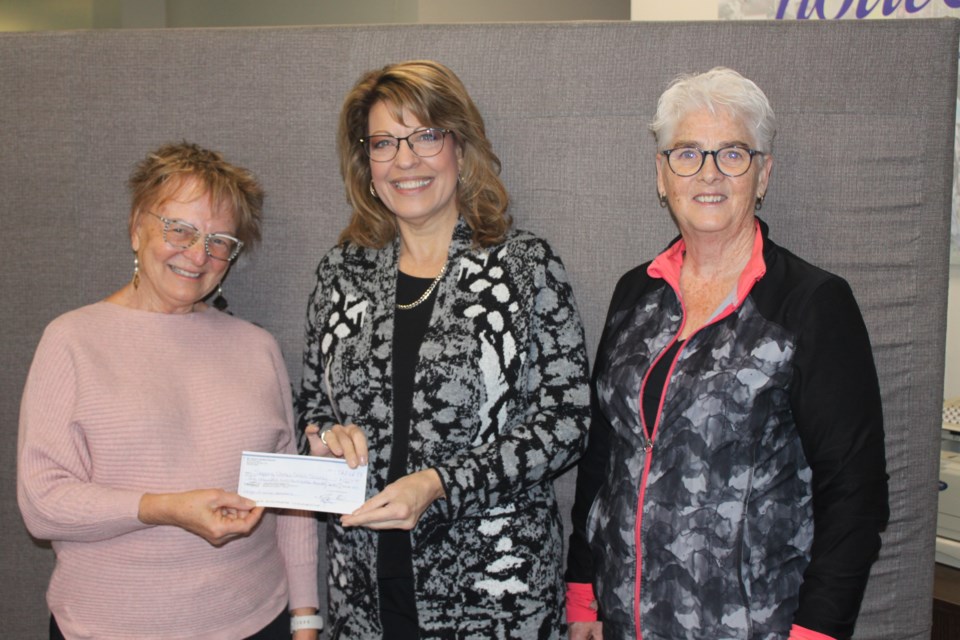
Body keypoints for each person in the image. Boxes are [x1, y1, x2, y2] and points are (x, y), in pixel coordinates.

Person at [565, 68, 889, 640]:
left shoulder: (811, 304)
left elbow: (855, 493)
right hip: (623, 619)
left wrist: (819, 630)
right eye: (687, 153)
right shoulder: (635, 292)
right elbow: (604, 455)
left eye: (732, 154)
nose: (709, 173)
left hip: (755, 625)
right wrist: (584, 590)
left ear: (763, 174)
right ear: (662, 175)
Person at [295, 60, 591, 639]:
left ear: (460, 146)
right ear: (366, 163)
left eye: (426, 136)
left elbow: (567, 421)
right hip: (363, 591)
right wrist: (324, 438)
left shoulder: (524, 267)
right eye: (384, 142)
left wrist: (442, 482)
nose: (406, 160)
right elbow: (312, 402)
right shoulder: (341, 273)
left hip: (492, 590)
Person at [17, 142, 321, 640]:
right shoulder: (72, 340)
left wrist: (306, 620)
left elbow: (288, 501)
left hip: (256, 621)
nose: (199, 254)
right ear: (137, 228)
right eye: (180, 229)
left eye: (220, 240)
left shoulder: (257, 348)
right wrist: (163, 508)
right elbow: (42, 503)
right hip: (110, 628)